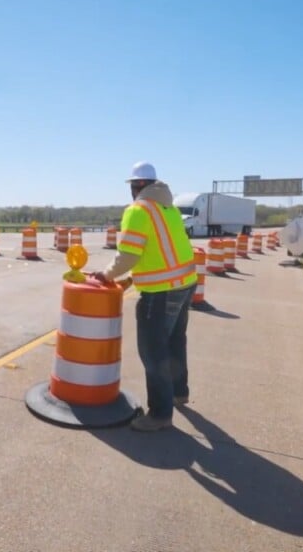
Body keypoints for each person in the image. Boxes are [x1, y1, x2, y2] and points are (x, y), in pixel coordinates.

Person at [92, 161, 198, 432]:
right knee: (175, 341)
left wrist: (106, 275)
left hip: (161, 292)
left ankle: (160, 414)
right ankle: (178, 392)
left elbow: (129, 254)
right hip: (185, 284)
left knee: (153, 352)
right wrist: (130, 279)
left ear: (136, 186)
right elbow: (160, 252)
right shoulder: (168, 208)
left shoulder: (138, 210)